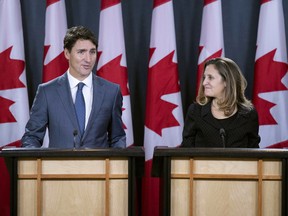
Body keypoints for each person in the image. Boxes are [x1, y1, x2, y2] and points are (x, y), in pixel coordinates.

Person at [21, 26, 126, 148]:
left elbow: (117, 138)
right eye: (81, 52)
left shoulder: (111, 92)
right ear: (67, 53)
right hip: (59, 166)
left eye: (92, 52)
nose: (88, 59)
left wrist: (116, 163)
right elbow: (32, 137)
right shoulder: (47, 92)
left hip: (99, 167)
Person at [181, 57, 260, 148]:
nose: (204, 82)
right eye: (204, 77)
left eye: (210, 77)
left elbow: (254, 154)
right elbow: (185, 152)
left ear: (227, 81)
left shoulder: (249, 114)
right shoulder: (195, 111)